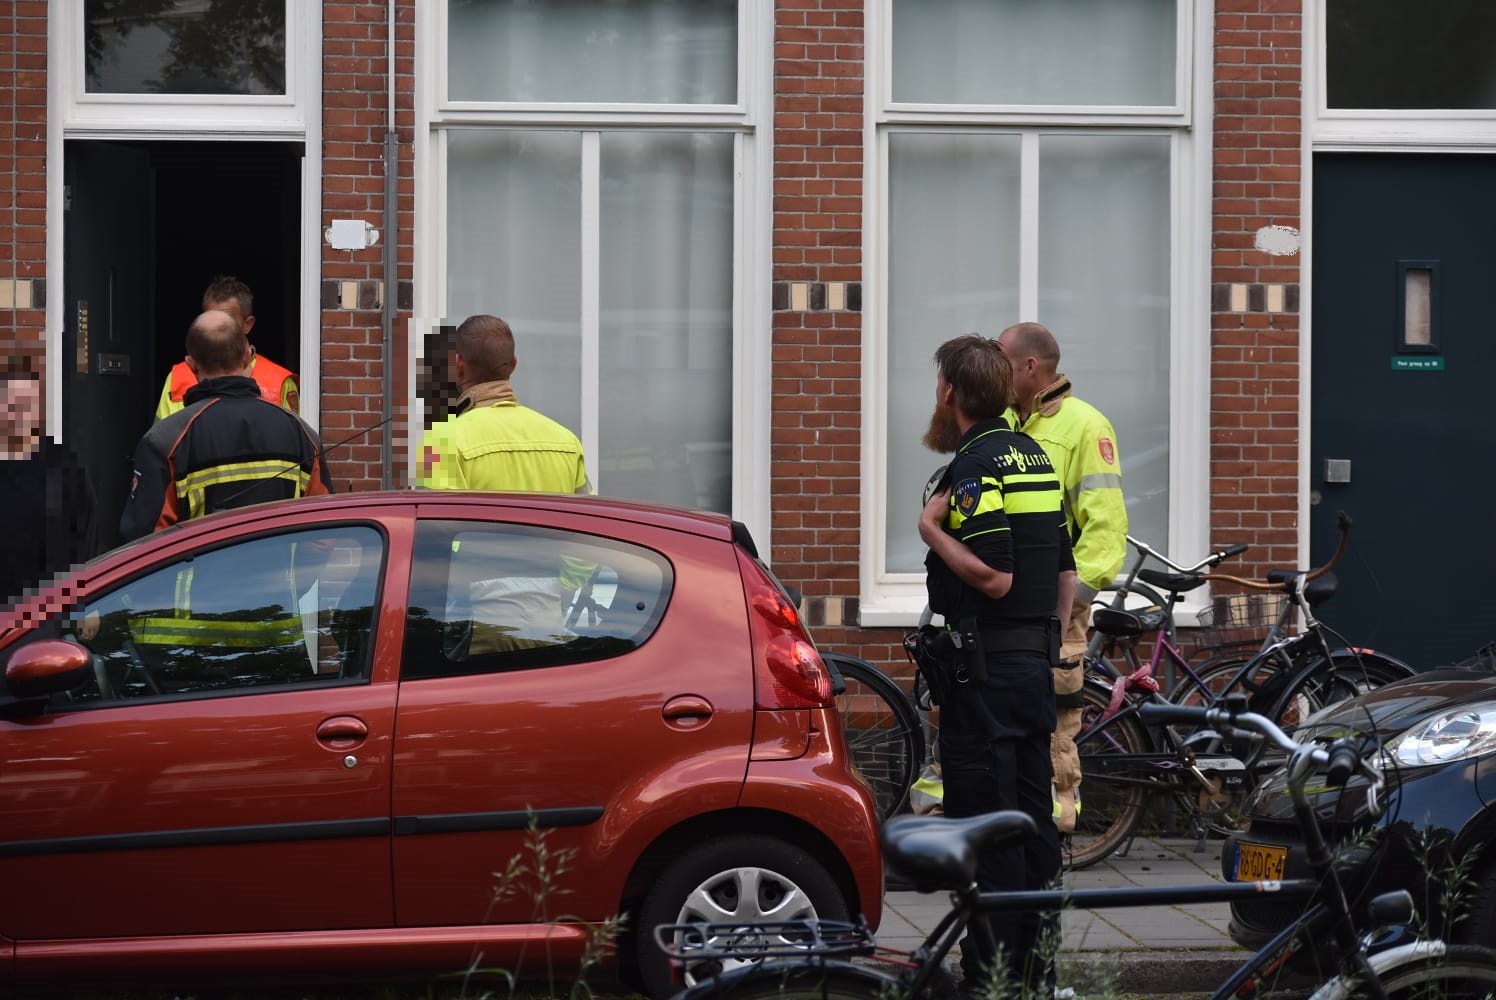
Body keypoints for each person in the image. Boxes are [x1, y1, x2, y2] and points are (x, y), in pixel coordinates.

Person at [919, 334, 1072, 995]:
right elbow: (1064, 572)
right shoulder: (1032, 455)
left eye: (937, 385)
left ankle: (992, 978)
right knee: (1034, 826)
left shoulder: (976, 465)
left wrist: (932, 531)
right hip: (1032, 672)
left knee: (986, 827)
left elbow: (996, 576)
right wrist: (1046, 644)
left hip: (983, 683)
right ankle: (1037, 973)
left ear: (951, 392)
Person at [998, 321, 1128, 839]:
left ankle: (1059, 822)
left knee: (1057, 710)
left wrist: (1077, 594)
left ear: (1031, 367)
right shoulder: (1009, 422)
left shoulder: (1084, 426)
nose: (996, 373)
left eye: (1003, 362)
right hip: (1007, 596)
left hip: (1056, 599)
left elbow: (1106, 522)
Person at [119, 309, 333, 542]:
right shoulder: (302, 434)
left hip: (204, 580)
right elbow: (322, 542)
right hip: (279, 579)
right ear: (247, 356)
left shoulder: (166, 442)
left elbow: (143, 544)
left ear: (191, 365)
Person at [418, 313, 591, 494]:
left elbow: (433, 519)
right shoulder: (568, 442)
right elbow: (589, 517)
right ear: (514, 365)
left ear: (458, 365)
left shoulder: (439, 442)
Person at [0, 360, 99, 611]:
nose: (20, 414)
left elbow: (86, 538)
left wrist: (86, 604)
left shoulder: (63, 464)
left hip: (50, 610)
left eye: (27, 406)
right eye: (12, 406)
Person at [155, 276, 298, 420]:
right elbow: (164, 439)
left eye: (227, 321)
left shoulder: (279, 381)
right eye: (210, 319)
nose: (217, 327)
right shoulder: (178, 377)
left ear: (248, 324)